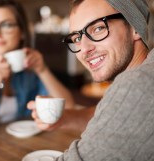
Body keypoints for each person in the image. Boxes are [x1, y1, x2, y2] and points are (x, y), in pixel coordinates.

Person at [28, 0, 154, 160]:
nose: (85, 49)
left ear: (134, 27)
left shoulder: (137, 83)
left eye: (98, 28)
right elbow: (116, 115)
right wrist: (66, 118)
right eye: (76, 38)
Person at [0, 0, 74, 133]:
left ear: (23, 32)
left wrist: (43, 70)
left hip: (14, 146)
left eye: (6, 25)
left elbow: (69, 106)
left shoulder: (28, 70)